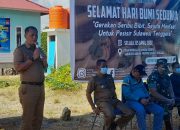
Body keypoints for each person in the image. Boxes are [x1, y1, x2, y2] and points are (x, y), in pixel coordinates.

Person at [13, 26, 48, 130]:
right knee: (28, 119)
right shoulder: (20, 50)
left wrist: (45, 61)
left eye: (36, 35)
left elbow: (45, 68)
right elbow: (18, 68)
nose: (34, 37)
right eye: (31, 35)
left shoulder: (39, 50)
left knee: (38, 118)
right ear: (25, 36)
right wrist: (33, 58)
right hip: (28, 88)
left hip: (40, 88)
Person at [86, 59, 134, 130]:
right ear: (97, 67)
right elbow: (88, 93)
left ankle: (115, 125)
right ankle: (107, 128)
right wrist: (93, 107)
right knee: (111, 115)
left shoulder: (109, 77)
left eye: (106, 66)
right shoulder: (94, 79)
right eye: (103, 66)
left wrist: (116, 101)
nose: (105, 68)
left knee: (130, 113)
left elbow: (113, 90)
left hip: (114, 100)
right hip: (102, 102)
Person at [122, 64, 164, 130]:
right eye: (139, 74)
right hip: (131, 101)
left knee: (160, 110)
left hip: (144, 101)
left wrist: (148, 98)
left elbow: (144, 90)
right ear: (133, 71)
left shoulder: (140, 80)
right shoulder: (127, 79)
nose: (141, 76)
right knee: (141, 110)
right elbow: (127, 94)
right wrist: (139, 99)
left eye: (142, 75)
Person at [147, 58, 175, 130]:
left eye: (165, 66)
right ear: (158, 66)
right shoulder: (152, 77)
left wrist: (173, 98)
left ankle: (168, 126)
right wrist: (167, 100)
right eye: (163, 66)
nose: (164, 68)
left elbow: (170, 88)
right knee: (164, 109)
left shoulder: (166, 76)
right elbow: (153, 93)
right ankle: (167, 127)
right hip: (155, 100)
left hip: (166, 100)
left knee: (169, 105)